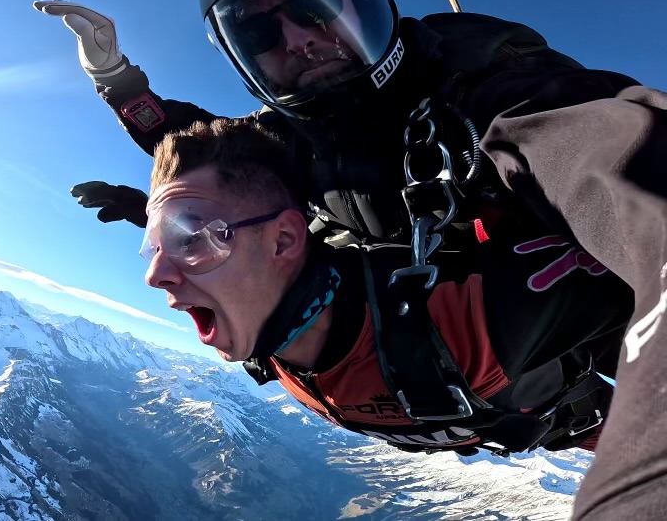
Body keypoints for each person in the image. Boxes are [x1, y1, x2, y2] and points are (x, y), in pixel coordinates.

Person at [35, 0, 667, 517]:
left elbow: (617, 160)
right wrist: (118, 84)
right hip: (507, 400)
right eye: (258, 33)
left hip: (586, 375)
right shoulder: (294, 140)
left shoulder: (493, 92)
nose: (297, 40)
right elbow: (204, 147)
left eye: (313, 7)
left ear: (372, 2)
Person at [141, 116, 629, 459]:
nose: (153, 274)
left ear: (285, 240)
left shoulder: (468, 322)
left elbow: (639, 251)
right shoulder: (263, 332)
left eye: (192, 240)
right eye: (155, 244)